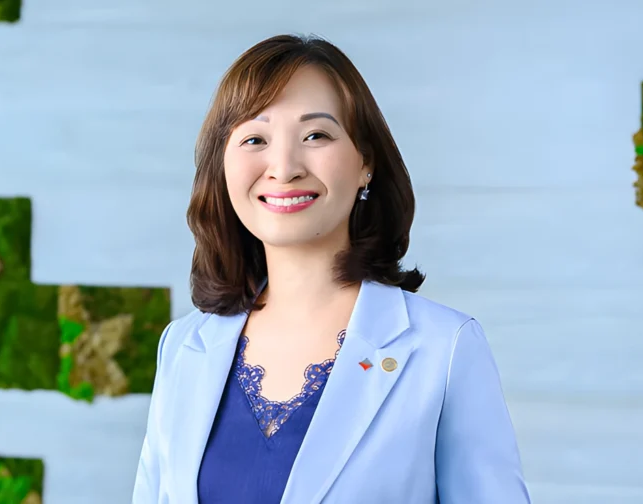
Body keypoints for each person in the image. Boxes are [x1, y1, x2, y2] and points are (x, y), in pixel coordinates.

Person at [132, 34, 530, 504]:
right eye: (254, 139)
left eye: (315, 135)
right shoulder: (182, 347)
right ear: (222, 166)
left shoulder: (444, 350)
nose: (283, 168)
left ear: (366, 163)